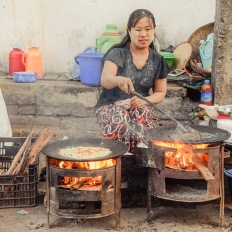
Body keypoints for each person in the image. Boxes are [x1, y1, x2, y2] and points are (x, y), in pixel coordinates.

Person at [94, 9, 170, 153]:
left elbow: (160, 93)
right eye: (138, 29)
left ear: (154, 30)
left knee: (142, 118)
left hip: (137, 105)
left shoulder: (158, 60)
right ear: (129, 31)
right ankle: (117, 161)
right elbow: (105, 79)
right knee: (120, 121)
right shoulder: (117, 53)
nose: (143, 34)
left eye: (148, 29)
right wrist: (118, 79)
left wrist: (144, 100)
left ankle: (142, 161)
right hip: (110, 105)